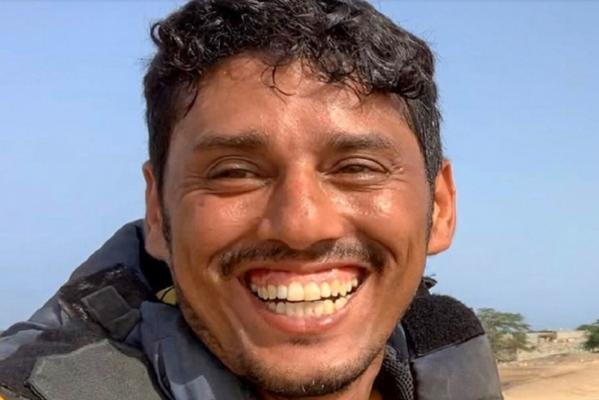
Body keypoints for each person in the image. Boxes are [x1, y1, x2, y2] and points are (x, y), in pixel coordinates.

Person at [0, 1, 503, 399]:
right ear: (157, 212)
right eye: (234, 172)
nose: (301, 226)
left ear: (439, 207)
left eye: (357, 169)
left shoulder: (447, 362)